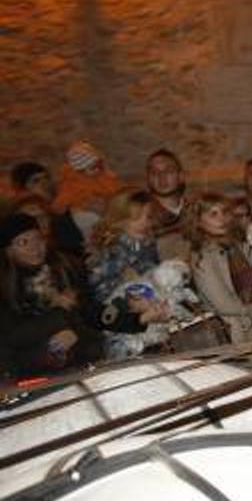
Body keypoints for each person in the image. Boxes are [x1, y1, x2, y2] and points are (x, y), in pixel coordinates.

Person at [0, 213, 104, 376]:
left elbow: (89, 320)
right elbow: (10, 338)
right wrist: (59, 317)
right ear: (8, 251)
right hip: (25, 375)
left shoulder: (64, 270)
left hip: (78, 366)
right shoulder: (6, 289)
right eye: (23, 242)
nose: (35, 247)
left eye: (38, 239)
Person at [87, 189, 176, 358]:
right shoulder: (111, 252)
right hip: (122, 332)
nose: (144, 222)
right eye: (136, 218)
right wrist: (132, 304)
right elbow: (102, 301)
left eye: (148, 217)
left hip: (152, 325)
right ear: (119, 219)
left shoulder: (147, 246)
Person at [185, 193, 252, 345]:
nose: (221, 219)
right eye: (213, 214)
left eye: (224, 212)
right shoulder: (202, 257)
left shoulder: (235, 245)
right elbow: (225, 305)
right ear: (198, 221)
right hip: (235, 335)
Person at [9, 162, 85, 259]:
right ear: (22, 189)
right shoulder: (19, 219)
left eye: (46, 178)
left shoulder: (61, 212)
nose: (45, 184)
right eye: (36, 181)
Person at [145, 148, 190, 261]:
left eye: (168, 171)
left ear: (181, 176)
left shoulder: (195, 210)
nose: (161, 177)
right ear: (148, 178)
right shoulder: (141, 215)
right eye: (154, 172)